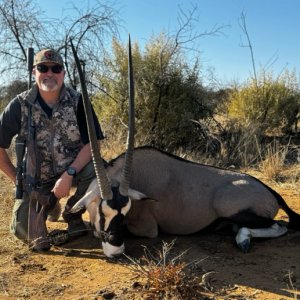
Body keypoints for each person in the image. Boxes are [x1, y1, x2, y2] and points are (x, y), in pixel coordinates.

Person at [0, 48, 103, 248]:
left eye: (56, 68)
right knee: (26, 233)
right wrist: (18, 180)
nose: (49, 73)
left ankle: (73, 213)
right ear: (34, 72)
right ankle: (50, 205)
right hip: (38, 181)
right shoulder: (19, 105)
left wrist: (70, 173)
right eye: (43, 68)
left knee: (99, 173)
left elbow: (93, 143)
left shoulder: (79, 101)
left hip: (74, 172)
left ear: (63, 73)